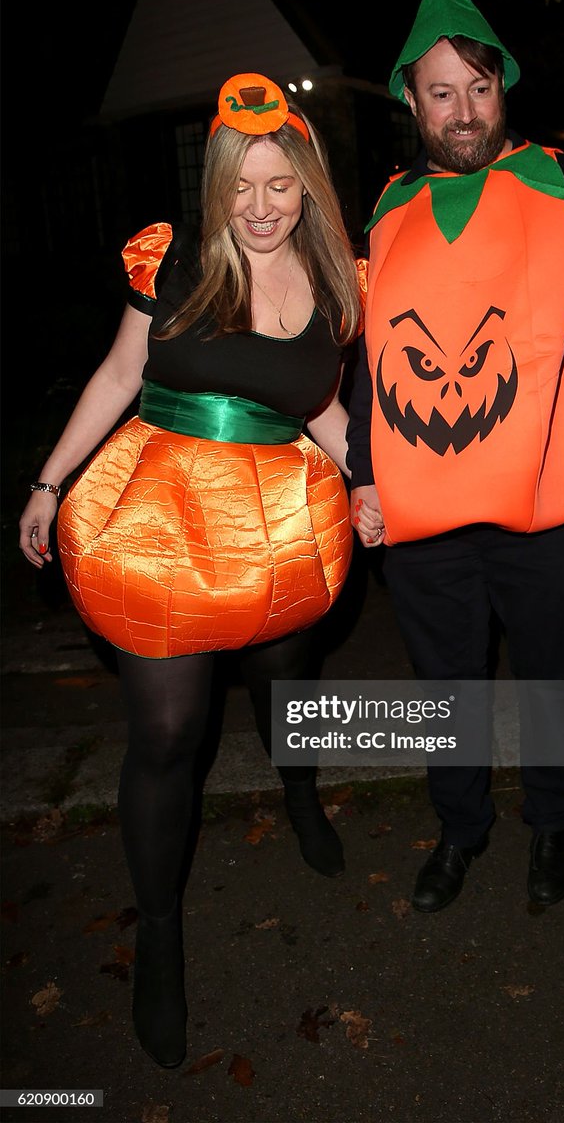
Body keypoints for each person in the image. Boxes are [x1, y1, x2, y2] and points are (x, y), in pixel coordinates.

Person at [19, 72, 365, 1068]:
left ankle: (298, 793)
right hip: (159, 512)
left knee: (285, 681)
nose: (260, 206)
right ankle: (161, 937)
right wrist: (48, 481)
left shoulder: (337, 281)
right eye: (239, 186)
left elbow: (322, 407)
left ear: (306, 185)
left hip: (281, 516)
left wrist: (373, 482)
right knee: (169, 731)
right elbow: (120, 374)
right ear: (216, 186)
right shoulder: (172, 261)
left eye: (279, 184)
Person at [347, 0, 564, 914]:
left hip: (545, 504)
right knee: (444, 687)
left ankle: (552, 823)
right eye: (441, 92)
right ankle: (460, 831)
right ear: (412, 100)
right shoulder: (386, 209)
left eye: (478, 88)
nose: (463, 111)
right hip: (423, 518)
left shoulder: (561, 182)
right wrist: (363, 474)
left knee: (549, 674)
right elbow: (371, 362)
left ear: (504, 88)